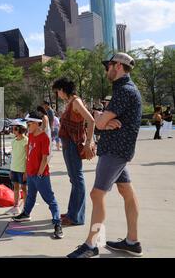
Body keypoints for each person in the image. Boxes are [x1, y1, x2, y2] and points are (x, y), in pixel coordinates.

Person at [67, 53, 143, 258]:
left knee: (97, 194)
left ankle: (91, 245)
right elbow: (101, 122)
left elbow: (98, 122)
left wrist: (102, 119)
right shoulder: (125, 90)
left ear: (117, 66)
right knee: (126, 191)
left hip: (114, 150)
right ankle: (132, 241)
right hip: (118, 149)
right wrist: (104, 121)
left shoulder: (124, 91)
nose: (105, 70)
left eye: (107, 66)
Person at [13, 112, 64, 240]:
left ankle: (57, 223)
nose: (27, 126)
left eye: (29, 124)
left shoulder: (44, 138)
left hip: (40, 175)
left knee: (50, 200)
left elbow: (45, 158)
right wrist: (27, 171)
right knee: (30, 196)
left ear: (36, 124)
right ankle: (26, 213)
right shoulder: (30, 135)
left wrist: (39, 174)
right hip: (30, 173)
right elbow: (30, 154)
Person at [52, 77, 96, 227]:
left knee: (77, 180)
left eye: (57, 91)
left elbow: (91, 120)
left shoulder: (76, 102)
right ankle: (73, 212)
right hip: (68, 144)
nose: (57, 94)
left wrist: (89, 142)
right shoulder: (71, 102)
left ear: (63, 90)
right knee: (74, 179)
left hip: (72, 144)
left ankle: (76, 216)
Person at [5, 119, 28, 216]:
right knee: (15, 187)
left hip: (22, 169)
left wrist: (26, 172)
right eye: (12, 128)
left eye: (14, 129)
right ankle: (16, 206)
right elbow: (13, 156)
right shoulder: (13, 141)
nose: (12, 130)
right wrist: (10, 169)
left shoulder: (26, 140)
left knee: (24, 188)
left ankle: (26, 208)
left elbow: (28, 157)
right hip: (14, 168)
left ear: (20, 129)